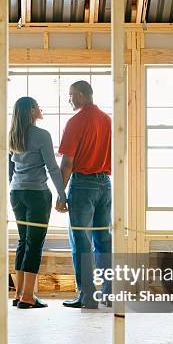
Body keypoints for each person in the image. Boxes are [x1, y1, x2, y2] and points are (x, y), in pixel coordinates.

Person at [56, 81, 112, 309]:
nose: (69, 100)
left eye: (70, 96)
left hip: (82, 185)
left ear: (80, 95)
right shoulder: (107, 120)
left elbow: (67, 163)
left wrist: (61, 194)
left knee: (81, 242)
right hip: (105, 184)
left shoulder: (75, 121)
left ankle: (87, 296)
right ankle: (108, 295)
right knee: (104, 240)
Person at [9, 96, 68, 309]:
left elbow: (10, 169)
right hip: (37, 195)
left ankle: (18, 294)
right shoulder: (42, 135)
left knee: (23, 242)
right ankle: (28, 297)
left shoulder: (13, 135)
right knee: (34, 245)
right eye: (37, 106)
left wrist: (15, 186)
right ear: (32, 110)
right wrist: (62, 194)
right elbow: (53, 168)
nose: (40, 108)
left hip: (17, 193)